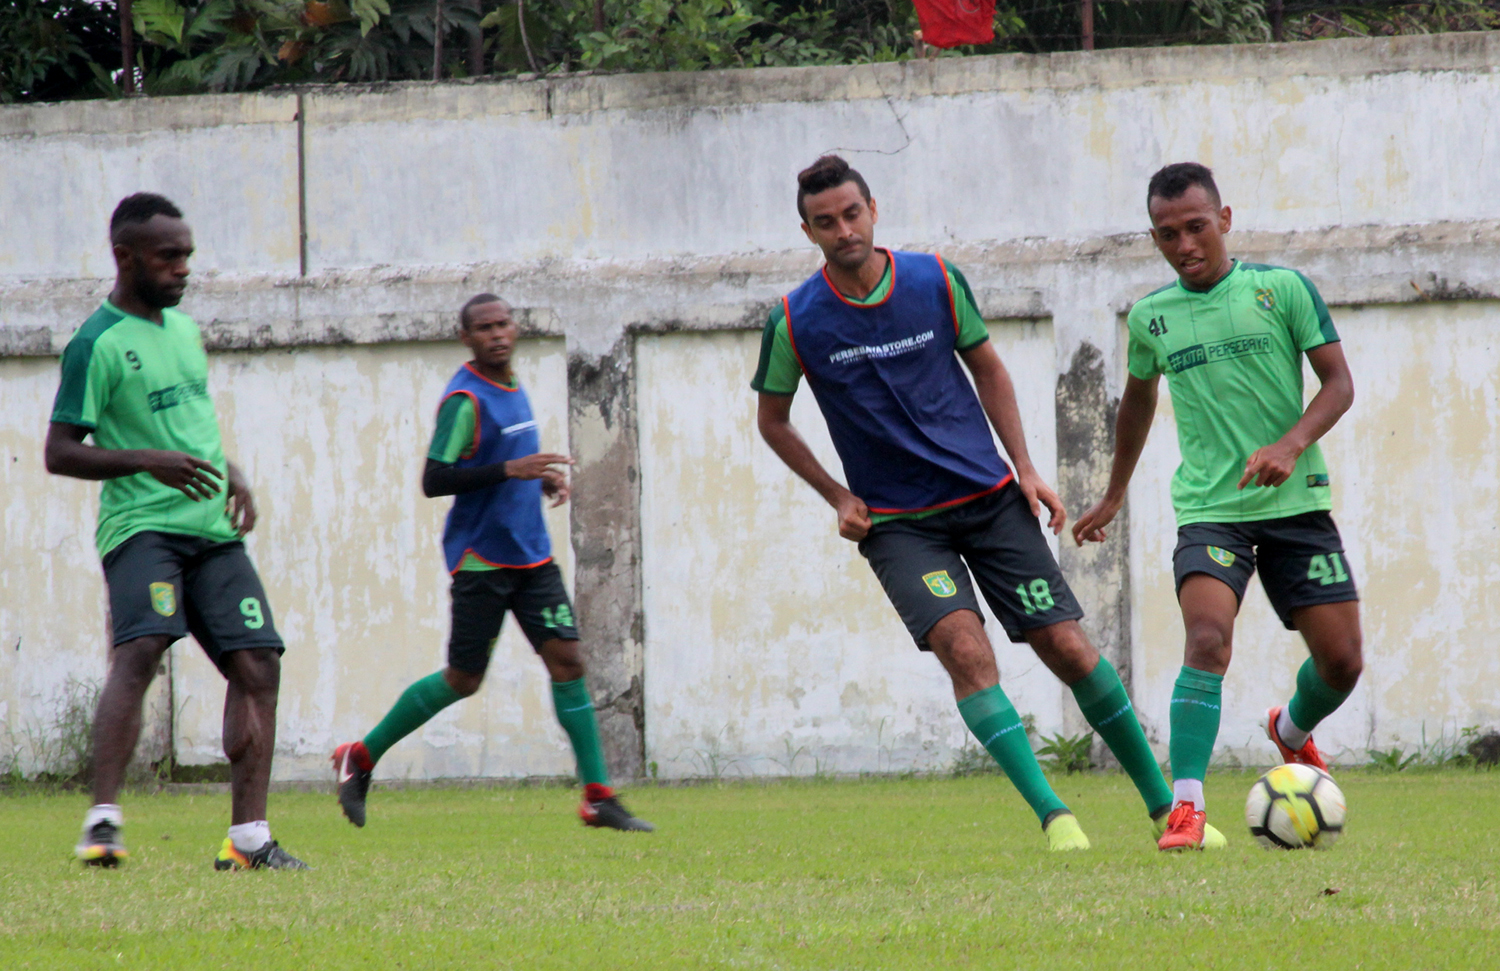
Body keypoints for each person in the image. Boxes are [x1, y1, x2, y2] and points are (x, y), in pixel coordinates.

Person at [752, 155, 1221, 851]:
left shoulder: (935, 280)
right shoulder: (795, 318)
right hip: (900, 526)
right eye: (826, 222)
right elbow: (773, 420)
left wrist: (1026, 468)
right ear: (808, 230)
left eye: (852, 214)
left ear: (873, 209)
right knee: (964, 651)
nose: (843, 230)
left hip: (989, 499)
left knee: (1066, 646)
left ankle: (1166, 812)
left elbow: (988, 366)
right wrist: (837, 495)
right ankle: (1055, 818)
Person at [1073, 162, 1362, 851]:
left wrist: (1292, 443)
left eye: (1197, 227)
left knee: (1342, 664)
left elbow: (1339, 384)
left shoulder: (1281, 290)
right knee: (1206, 640)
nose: (1185, 245)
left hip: (1296, 505)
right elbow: (1137, 403)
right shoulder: (1151, 318)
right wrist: (1114, 492)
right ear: (1155, 238)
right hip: (1210, 509)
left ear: (1224, 220)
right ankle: (1188, 808)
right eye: (1168, 234)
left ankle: (1289, 731)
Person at [46, 193, 305, 870]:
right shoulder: (94, 344)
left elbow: (189, 429)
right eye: (169, 256)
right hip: (141, 528)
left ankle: (249, 840)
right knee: (144, 647)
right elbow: (60, 450)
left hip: (211, 528)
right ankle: (103, 821)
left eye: (188, 254)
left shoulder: (184, 332)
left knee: (259, 663)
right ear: (125, 256)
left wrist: (233, 472)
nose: (184, 268)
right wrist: (145, 461)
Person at [331, 294, 652, 833]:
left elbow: (504, 463)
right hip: (482, 562)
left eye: (504, 324)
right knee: (463, 679)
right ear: (467, 338)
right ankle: (360, 756)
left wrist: (539, 477)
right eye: (484, 328)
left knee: (569, 661)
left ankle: (598, 796)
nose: (497, 334)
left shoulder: (511, 383)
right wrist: (510, 470)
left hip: (532, 557)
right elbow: (435, 480)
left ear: (516, 328)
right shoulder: (464, 399)